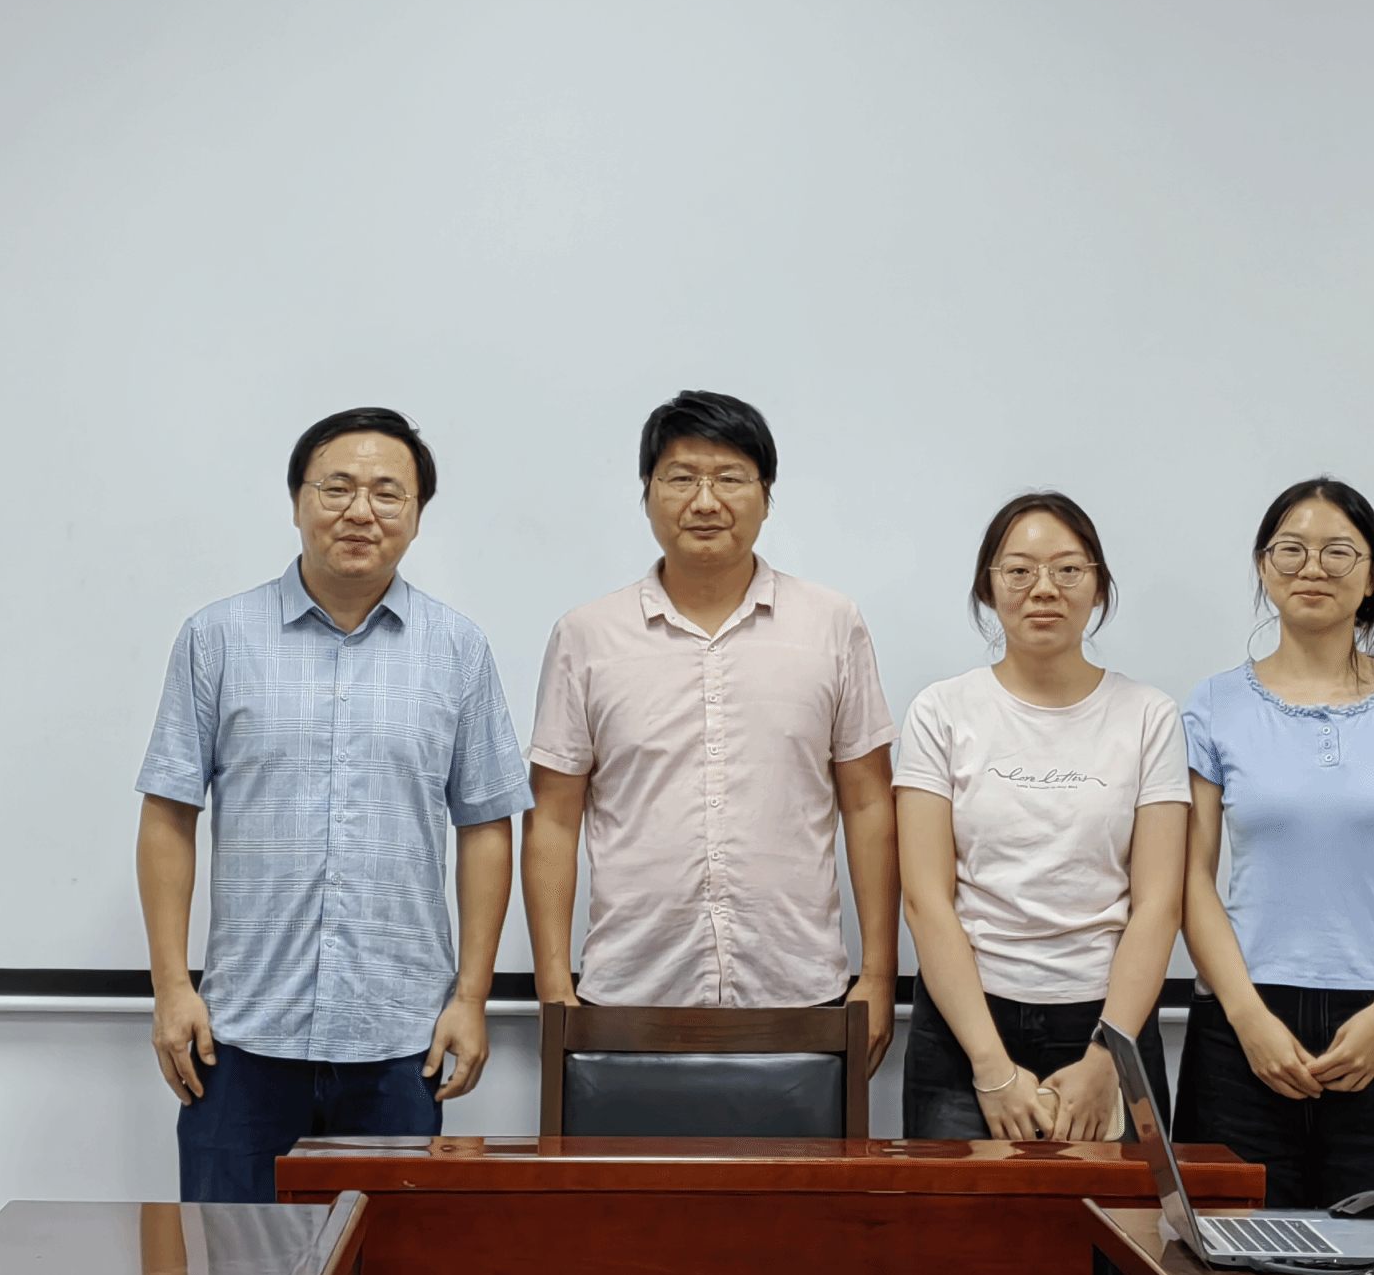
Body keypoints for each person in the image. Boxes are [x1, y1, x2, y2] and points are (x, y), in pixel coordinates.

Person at [134, 407, 533, 1202]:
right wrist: (173, 988)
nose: (361, 511)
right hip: (239, 1035)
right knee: (229, 1259)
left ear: (417, 513)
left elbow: (486, 827)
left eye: (388, 492)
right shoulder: (216, 638)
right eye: (337, 487)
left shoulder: (457, 649)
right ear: (297, 500)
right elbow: (170, 816)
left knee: (389, 1260)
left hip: (401, 1037)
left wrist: (471, 998)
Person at [522, 390, 900, 1069]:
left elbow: (870, 802)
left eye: (730, 478)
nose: (705, 501)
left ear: (766, 495)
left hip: (798, 990)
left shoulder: (831, 625)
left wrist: (878, 973)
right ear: (647, 493)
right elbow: (552, 816)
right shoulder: (587, 636)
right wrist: (554, 987)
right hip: (630, 993)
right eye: (681, 478)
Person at [1176, 477, 1374, 1221]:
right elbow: (1189, 878)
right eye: (1292, 549)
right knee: (1229, 1262)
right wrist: (1247, 1018)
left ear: (1371, 577)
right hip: (1244, 1031)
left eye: (1338, 551)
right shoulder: (1213, 705)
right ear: (1263, 566)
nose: (1313, 567)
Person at [897, 491, 1191, 1141]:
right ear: (989, 586)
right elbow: (925, 900)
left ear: (1098, 587)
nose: (1044, 588)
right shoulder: (941, 712)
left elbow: (1158, 904)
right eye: (1019, 570)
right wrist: (990, 1067)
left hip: (1108, 1022)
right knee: (961, 1212)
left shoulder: (1149, 716)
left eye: (1068, 569)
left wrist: (1108, 1057)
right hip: (965, 1025)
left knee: (1120, 1213)